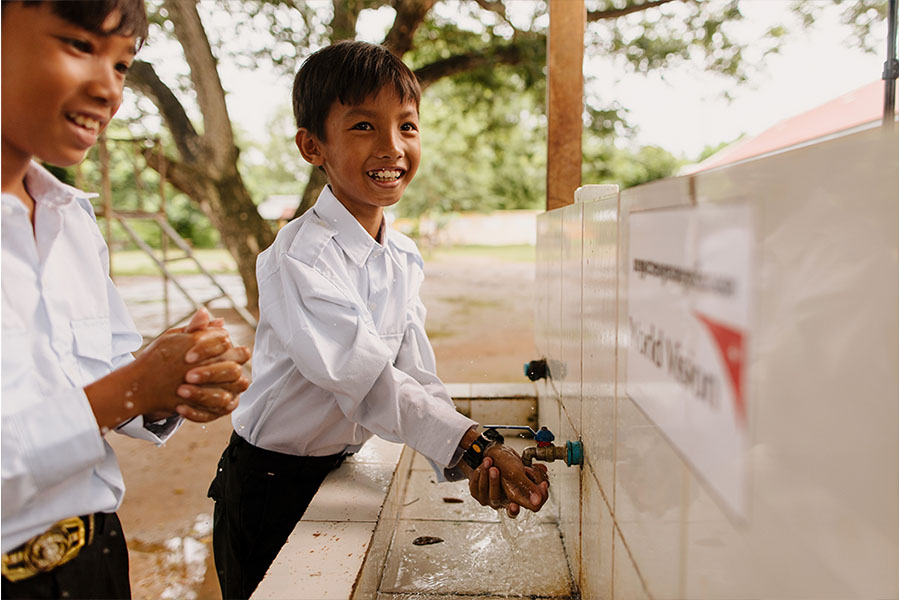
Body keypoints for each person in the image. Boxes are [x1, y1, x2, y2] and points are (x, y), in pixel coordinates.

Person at [208, 40, 550, 599]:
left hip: (338, 466)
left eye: (407, 127)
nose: (392, 147)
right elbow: (367, 382)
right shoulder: (298, 258)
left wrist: (471, 461)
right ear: (312, 145)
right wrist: (475, 446)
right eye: (364, 126)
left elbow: (415, 376)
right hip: (270, 482)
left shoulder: (402, 253)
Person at [1, 1, 251, 598]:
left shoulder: (72, 221)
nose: (108, 90)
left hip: (95, 556)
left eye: (122, 65)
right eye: (80, 47)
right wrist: (134, 386)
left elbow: (103, 370)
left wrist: (172, 377)